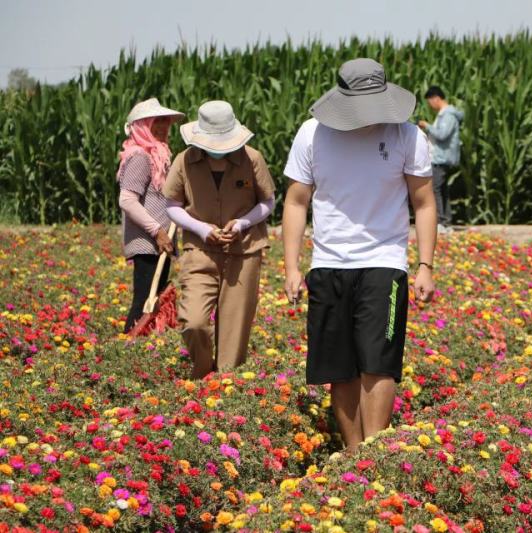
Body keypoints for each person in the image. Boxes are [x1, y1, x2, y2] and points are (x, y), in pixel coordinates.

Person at [282, 58, 437, 450]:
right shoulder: (312, 134)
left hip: (384, 263)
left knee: (378, 362)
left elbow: (423, 202)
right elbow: (297, 202)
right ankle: (353, 454)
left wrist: (425, 265)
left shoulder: (407, 137)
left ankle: (375, 450)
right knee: (341, 368)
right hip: (329, 263)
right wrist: (291, 267)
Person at [163, 100, 276, 379]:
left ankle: (225, 383)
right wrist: (201, 228)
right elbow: (172, 205)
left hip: (244, 250)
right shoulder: (184, 161)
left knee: (234, 328)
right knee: (194, 322)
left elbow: (268, 201)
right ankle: (202, 373)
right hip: (200, 249)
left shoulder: (252, 158)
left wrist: (242, 223)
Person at [117, 98, 185, 333]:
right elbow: (127, 200)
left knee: (154, 298)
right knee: (144, 302)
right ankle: (129, 346)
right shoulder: (140, 157)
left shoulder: (157, 155)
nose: (163, 128)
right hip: (148, 242)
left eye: (166, 123)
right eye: (157, 122)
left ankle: (141, 349)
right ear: (143, 126)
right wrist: (157, 231)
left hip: (158, 242)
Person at [418, 86, 464, 233]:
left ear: (436, 98)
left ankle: (440, 222)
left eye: (430, 101)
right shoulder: (444, 115)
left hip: (441, 158)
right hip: (439, 157)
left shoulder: (448, 115)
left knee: (435, 190)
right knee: (442, 190)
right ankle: (446, 222)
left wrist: (427, 126)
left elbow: (442, 134)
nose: (430, 106)